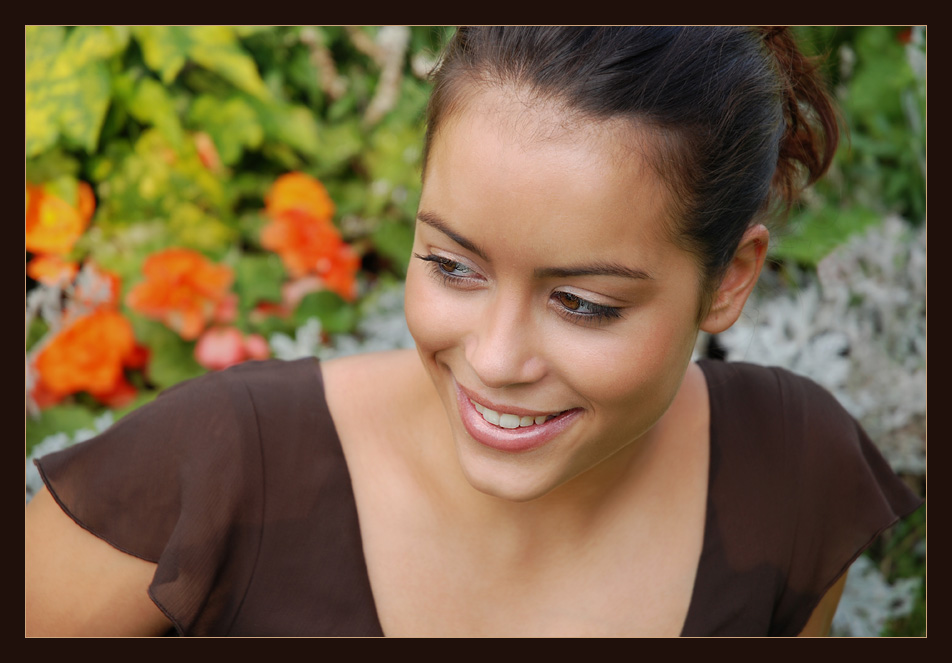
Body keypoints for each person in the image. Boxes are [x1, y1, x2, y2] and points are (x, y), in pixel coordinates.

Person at [25, 26, 923, 637]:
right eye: (452, 265)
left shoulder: (795, 472)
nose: (493, 359)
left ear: (730, 278)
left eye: (583, 302)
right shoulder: (215, 467)